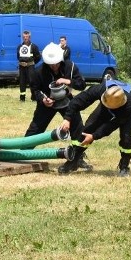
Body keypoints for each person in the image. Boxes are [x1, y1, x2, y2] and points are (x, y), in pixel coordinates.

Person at [26, 43, 91, 171]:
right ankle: (22, 152)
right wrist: (43, 99)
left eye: (56, 63)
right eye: (50, 64)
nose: (53, 66)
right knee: (36, 128)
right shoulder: (39, 71)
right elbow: (35, 90)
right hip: (47, 104)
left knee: (77, 126)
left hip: (67, 101)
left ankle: (78, 158)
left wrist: (67, 81)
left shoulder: (70, 66)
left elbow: (82, 84)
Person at [58, 78, 131, 177]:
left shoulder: (129, 104)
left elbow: (111, 125)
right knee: (88, 129)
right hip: (107, 104)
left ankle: (124, 166)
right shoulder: (101, 89)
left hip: (123, 110)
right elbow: (80, 100)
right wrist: (67, 118)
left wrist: (94, 136)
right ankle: (73, 162)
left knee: (126, 137)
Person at [16, 30, 41, 101]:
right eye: (24, 37)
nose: (25, 38)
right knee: (22, 82)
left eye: (26, 36)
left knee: (32, 81)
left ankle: (34, 97)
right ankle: (22, 98)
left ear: (29, 37)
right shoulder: (20, 46)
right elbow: (18, 56)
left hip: (30, 66)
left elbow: (38, 57)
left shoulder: (34, 46)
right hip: (22, 67)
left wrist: (32, 63)